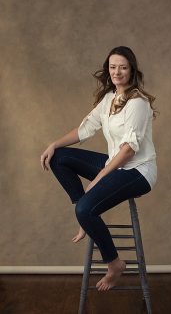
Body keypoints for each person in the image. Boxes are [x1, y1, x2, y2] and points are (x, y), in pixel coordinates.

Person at [41, 46, 157, 291]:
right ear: (108, 69)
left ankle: (114, 264)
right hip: (114, 163)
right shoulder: (108, 100)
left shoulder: (138, 103)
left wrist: (100, 178)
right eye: (113, 67)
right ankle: (84, 212)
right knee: (59, 157)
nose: (117, 72)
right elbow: (84, 129)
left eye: (123, 67)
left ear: (132, 70)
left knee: (85, 209)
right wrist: (53, 144)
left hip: (138, 171)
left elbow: (129, 151)